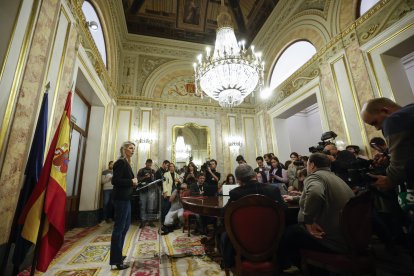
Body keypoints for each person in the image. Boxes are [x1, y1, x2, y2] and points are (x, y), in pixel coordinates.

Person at [278, 153, 354, 272]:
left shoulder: (314, 177)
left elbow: (315, 194)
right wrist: (295, 198)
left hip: (330, 238)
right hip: (349, 235)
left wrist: (308, 220)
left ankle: (293, 268)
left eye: (307, 164)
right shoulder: (334, 177)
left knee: (289, 232)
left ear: (312, 165)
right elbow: (319, 195)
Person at [220, 164, 287, 269]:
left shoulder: (235, 193)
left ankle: (230, 264)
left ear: (238, 180)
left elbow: (224, 214)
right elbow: (284, 211)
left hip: (244, 241)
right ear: (255, 175)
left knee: (224, 235)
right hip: (270, 239)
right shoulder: (272, 190)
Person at [361, 97, 414, 191]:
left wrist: (389, 180)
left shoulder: (393, 120)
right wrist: (390, 159)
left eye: (374, 123)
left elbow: (399, 166)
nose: (377, 128)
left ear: (384, 111)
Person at [109, 141, 138, 270]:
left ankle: (119, 255)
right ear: (124, 149)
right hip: (121, 199)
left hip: (126, 198)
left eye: (134, 149)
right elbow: (115, 180)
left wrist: (135, 183)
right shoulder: (121, 162)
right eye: (131, 148)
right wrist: (131, 181)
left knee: (125, 227)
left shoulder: (127, 162)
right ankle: (115, 259)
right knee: (119, 229)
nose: (133, 151)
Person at [162, 163, 181, 233]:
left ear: (174, 167)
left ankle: (172, 224)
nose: (171, 167)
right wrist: (165, 192)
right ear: (169, 167)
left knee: (172, 210)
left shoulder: (177, 175)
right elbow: (164, 183)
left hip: (175, 195)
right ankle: (164, 225)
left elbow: (180, 184)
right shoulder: (166, 174)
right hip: (168, 193)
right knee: (166, 209)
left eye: (172, 166)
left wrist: (178, 181)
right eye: (170, 166)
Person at [137, 159, 156, 228]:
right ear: (145, 163)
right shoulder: (141, 170)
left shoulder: (153, 171)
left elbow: (155, 181)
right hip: (143, 191)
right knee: (143, 207)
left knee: (150, 207)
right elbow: (138, 179)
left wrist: (153, 177)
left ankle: (150, 221)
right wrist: (145, 177)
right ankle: (143, 221)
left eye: (150, 164)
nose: (149, 165)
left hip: (151, 190)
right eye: (148, 164)